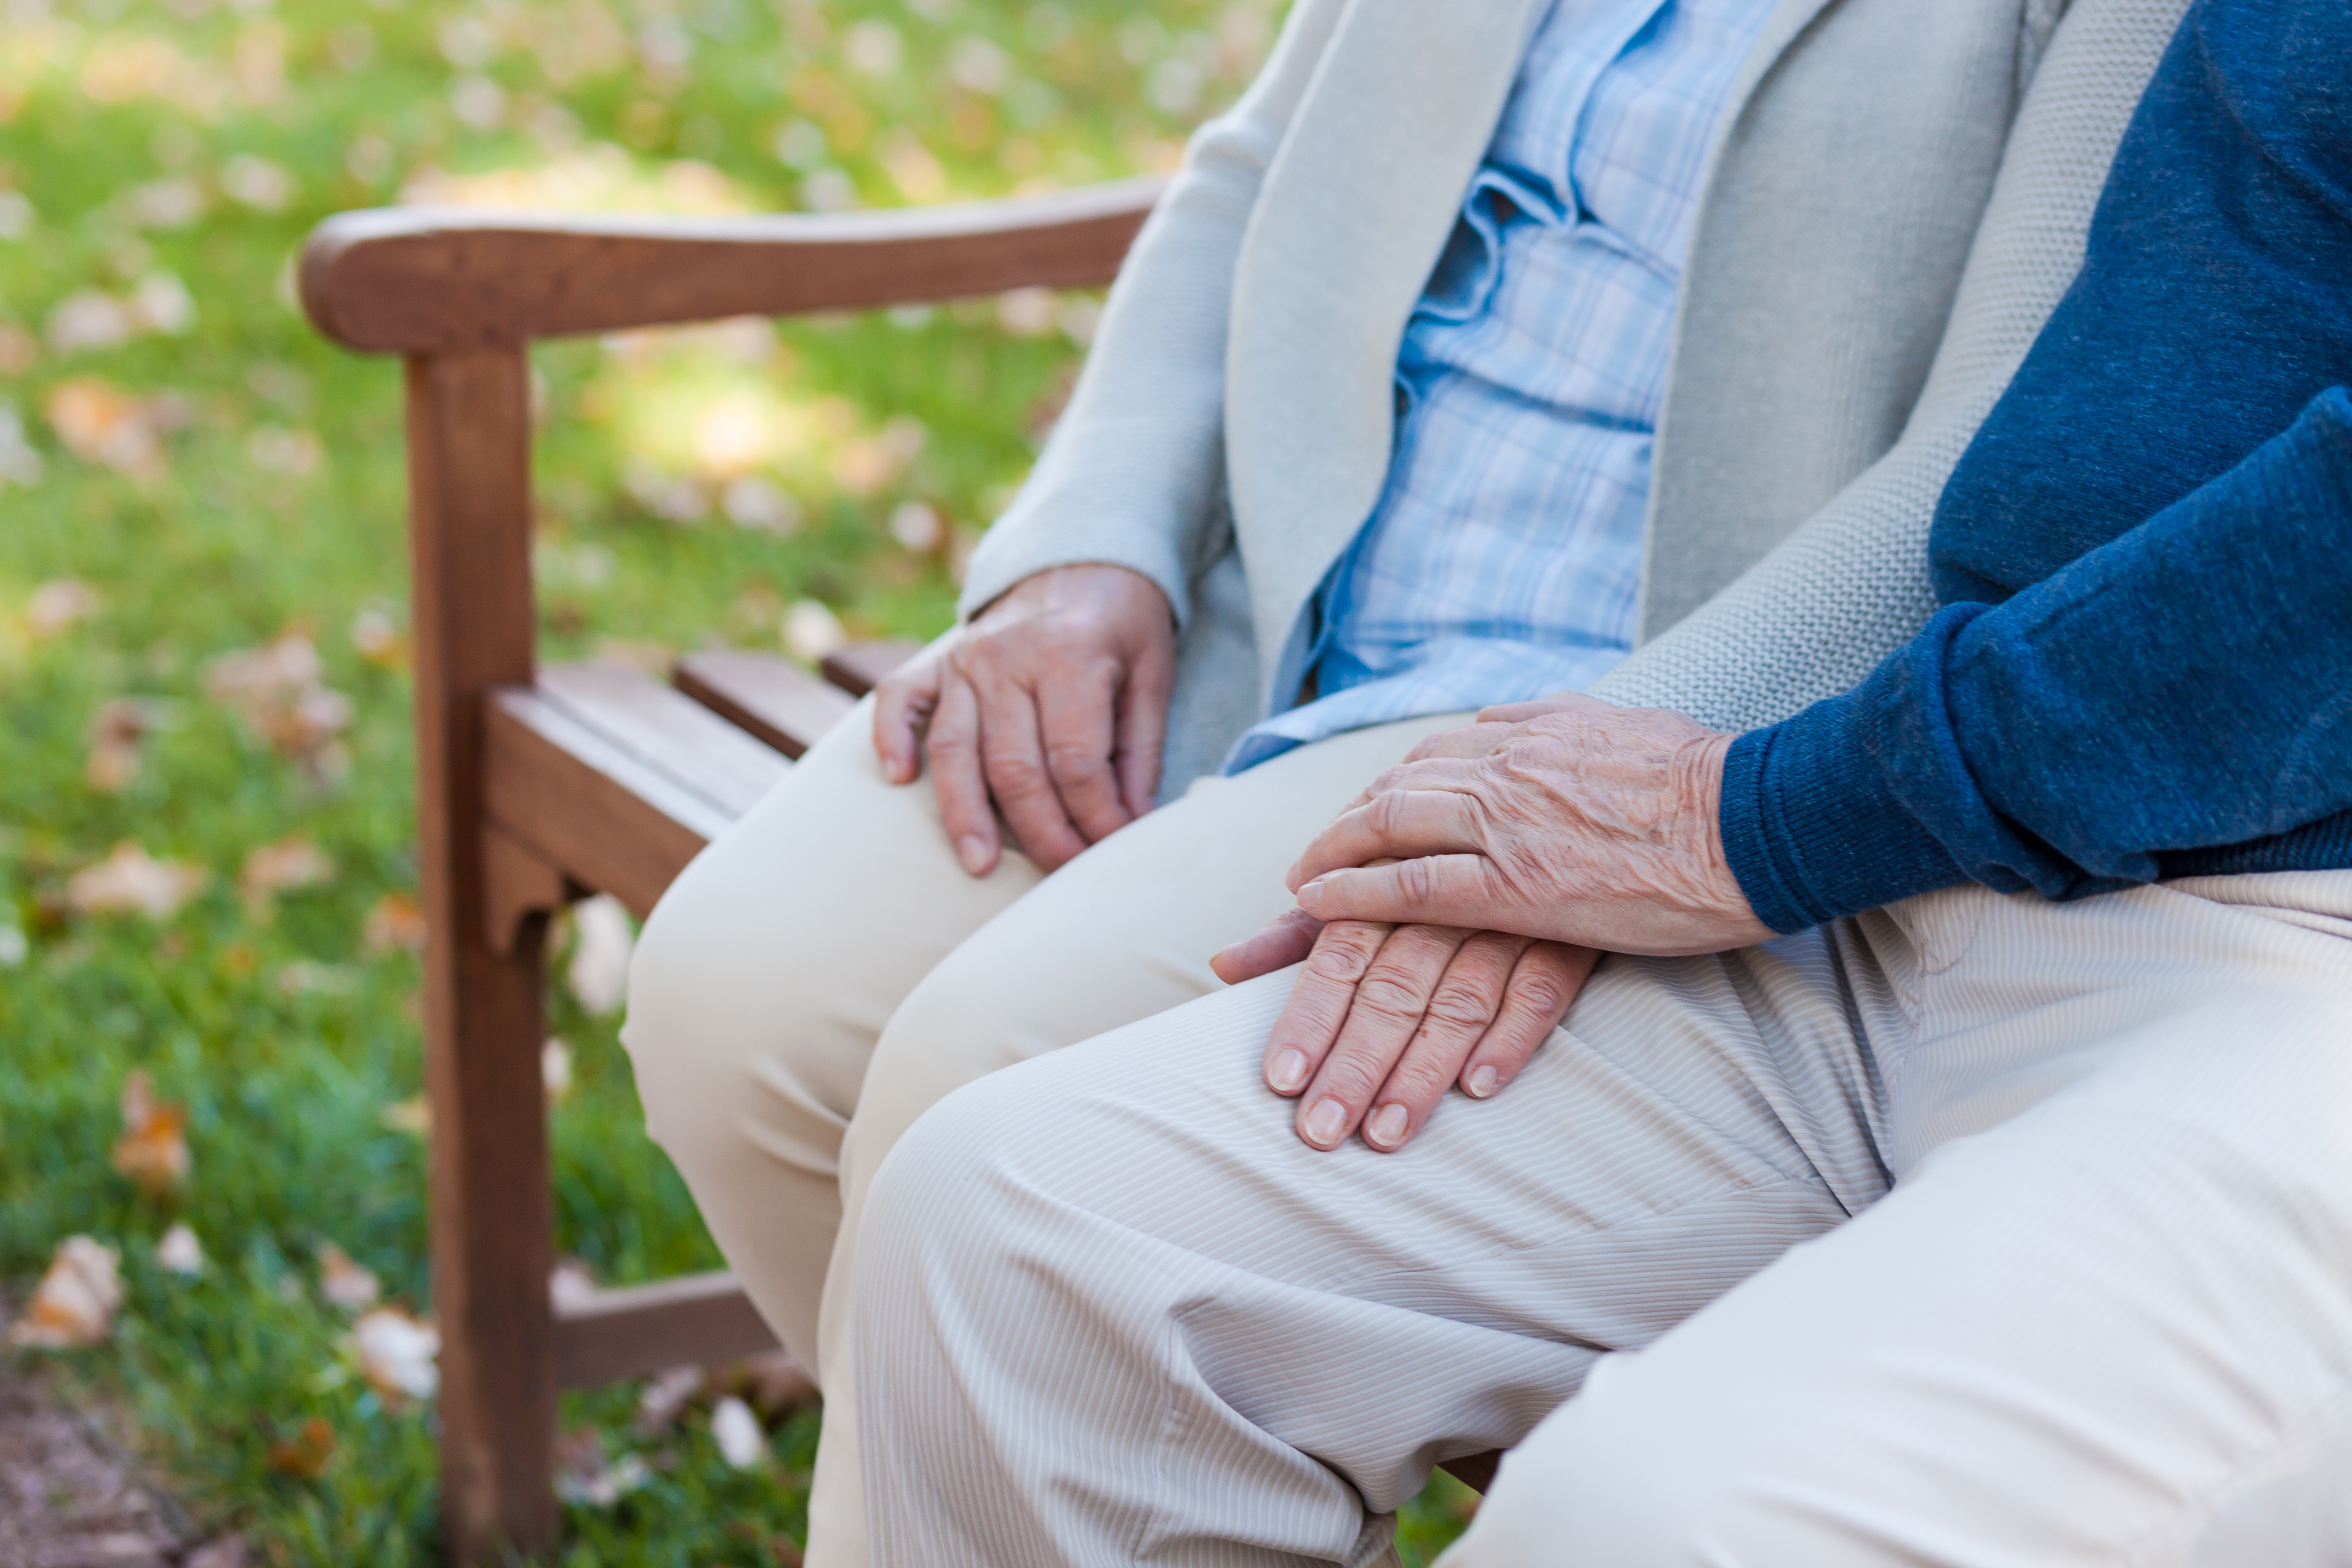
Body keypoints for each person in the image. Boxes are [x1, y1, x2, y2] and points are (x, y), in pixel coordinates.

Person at [620, 0, 2182, 1558]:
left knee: (977, 1070)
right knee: (732, 989)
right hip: (1270, 608)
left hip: (1625, 709)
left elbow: (2007, 447)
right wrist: (1088, 545)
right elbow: (1255, 175)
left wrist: (1608, 795)